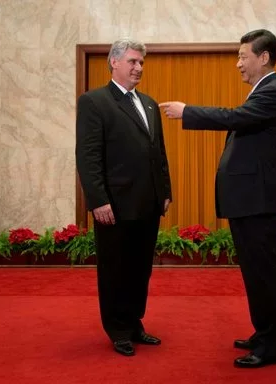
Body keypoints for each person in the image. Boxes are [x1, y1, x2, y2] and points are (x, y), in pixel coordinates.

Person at [159, 29, 276, 368]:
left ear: (263, 57)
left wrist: (187, 111)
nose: (237, 64)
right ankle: (263, 333)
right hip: (250, 201)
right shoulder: (262, 91)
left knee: (264, 273)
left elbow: (233, 118)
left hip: (261, 202)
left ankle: (270, 346)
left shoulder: (274, 92)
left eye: (242, 57)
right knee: (254, 272)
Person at [76, 38, 172, 357]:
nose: (138, 68)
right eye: (132, 61)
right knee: (115, 268)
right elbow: (88, 156)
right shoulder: (94, 102)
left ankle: (133, 323)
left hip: (148, 203)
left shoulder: (148, 103)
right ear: (114, 62)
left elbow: (158, 153)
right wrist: (97, 199)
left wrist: (165, 191)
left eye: (141, 63)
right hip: (114, 205)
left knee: (139, 268)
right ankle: (116, 329)